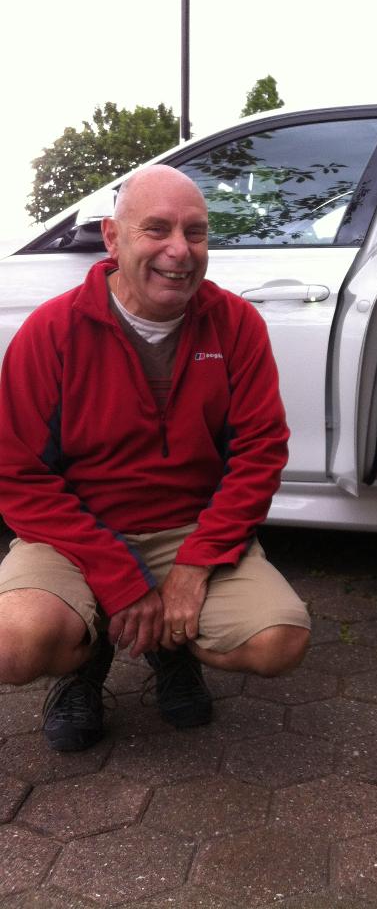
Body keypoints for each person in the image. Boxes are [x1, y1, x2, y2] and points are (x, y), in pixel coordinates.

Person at [0, 165, 310, 751]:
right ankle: (83, 666)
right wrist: (121, 580)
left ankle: (171, 651)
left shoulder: (237, 325)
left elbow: (259, 454)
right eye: (157, 229)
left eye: (195, 233)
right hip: (74, 534)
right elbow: (18, 475)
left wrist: (193, 568)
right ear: (113, 238)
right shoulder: (51, 332)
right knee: (14, 643)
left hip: (187, 530)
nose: (180, 251)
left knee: (279, 640)